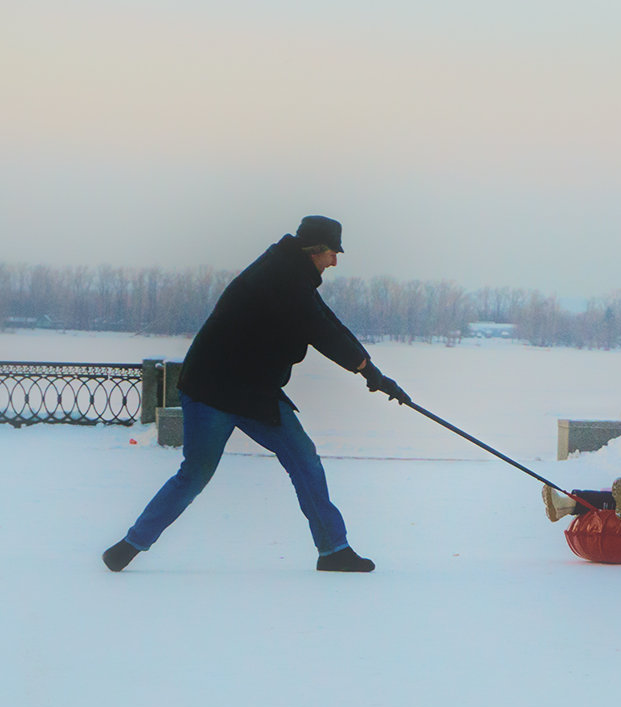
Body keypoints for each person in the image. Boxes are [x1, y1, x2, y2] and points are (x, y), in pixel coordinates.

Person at [102, 215, 409, 573]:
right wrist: (370, 373)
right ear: (315, 250)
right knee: (196, 474)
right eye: (332, 253)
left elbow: (329, 322)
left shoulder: (292, 273)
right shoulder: (283, 277)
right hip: (212, 389)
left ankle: (333, 550)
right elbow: (323, 332)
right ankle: (131, 544)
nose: (335, 261)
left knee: (303, 458)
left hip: (253, 392)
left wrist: (375, 373)